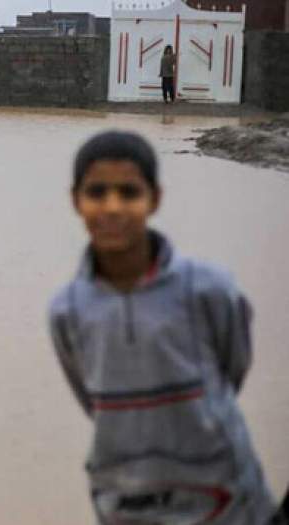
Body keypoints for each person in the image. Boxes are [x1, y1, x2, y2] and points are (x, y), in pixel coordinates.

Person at [47, 130, 279, 524]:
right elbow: (92, 399)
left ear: (155, 198)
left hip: (225, 496)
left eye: (129, 192)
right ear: (75, 200)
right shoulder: (68, 310)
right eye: (97, 192)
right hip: (125, 499)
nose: (113, 207)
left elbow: (231, 371)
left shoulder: (208, 289)